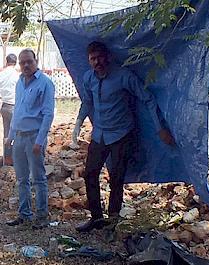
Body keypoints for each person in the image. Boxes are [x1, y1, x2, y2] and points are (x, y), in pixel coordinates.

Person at [74, 41, 174, 233]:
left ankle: (112, 221)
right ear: (89, 61)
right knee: (90, 174)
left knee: (117, 178)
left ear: (108, 57)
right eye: (93, 59)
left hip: (121, 134)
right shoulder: (89, 78)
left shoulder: (123, 76)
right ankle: (96, 218)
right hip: (100, 134)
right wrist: (78, 124)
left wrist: (160, 128)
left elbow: (148, 98)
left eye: (100, 57)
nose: (97, 62)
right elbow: (87, 102)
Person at [5, 49, 55, 230]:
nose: (26, 65)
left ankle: (42, 216)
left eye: (29, 62)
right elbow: (17, 110)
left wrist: (40, 141)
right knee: (22, 178)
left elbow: (48, 114)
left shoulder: (45, 83)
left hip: (34, 136)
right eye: (22, 62)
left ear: (36, 61)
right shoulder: (20, 82)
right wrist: (10, 136)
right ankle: (24, 214)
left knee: (39, 179)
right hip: (18, 136)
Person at [0, 54, 19, 165]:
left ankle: (7, 159)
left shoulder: (0, 75)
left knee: (7, 134)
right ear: (16, 62)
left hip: (5, 106)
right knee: (18, 133)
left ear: (6, 62)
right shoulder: (17, 76)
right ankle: (17, 159)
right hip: (15, 106)